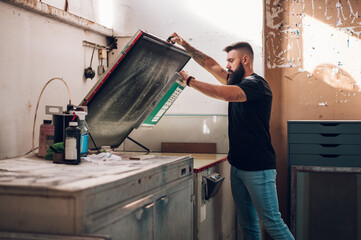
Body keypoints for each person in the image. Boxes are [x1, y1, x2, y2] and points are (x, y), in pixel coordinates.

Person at [168, 32, 294, 240]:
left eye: (231, 60)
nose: (226, 65)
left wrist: (189, 81)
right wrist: (184, 44)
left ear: (245, 60)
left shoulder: (256, 85)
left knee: (273, 223)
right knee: (248, 226)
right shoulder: (237, 81)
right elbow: (211, 65)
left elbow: (223, 94)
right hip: (238, 167)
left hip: (258, 168)